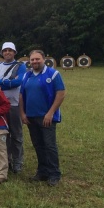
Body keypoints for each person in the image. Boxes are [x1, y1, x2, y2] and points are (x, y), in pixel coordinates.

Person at [19, 50, 66, 186]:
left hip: (47, 117)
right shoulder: (27, 75)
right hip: (31, 117)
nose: (34, 62)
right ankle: (42, 172)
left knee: (49, 146)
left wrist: (50, 113)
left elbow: (61, 93)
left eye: (37, 59)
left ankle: (54, 174)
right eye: (32, 59)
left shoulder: (53, 74)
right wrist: (22, 113)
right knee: (38, 145)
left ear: (44, 59)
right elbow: (21, 96)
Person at [0, 42, 27, 174]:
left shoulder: (20, 66)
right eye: (5, 50)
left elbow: (19, 82)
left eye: (10, 50)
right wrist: (8, 82)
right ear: (2, 52)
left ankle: (17, 162)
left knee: (16, 135)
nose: (7, 52)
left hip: (14, 104)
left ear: (15, 52)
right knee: (3, 135)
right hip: (0, 106)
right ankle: (6, 160)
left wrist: (2, 82)